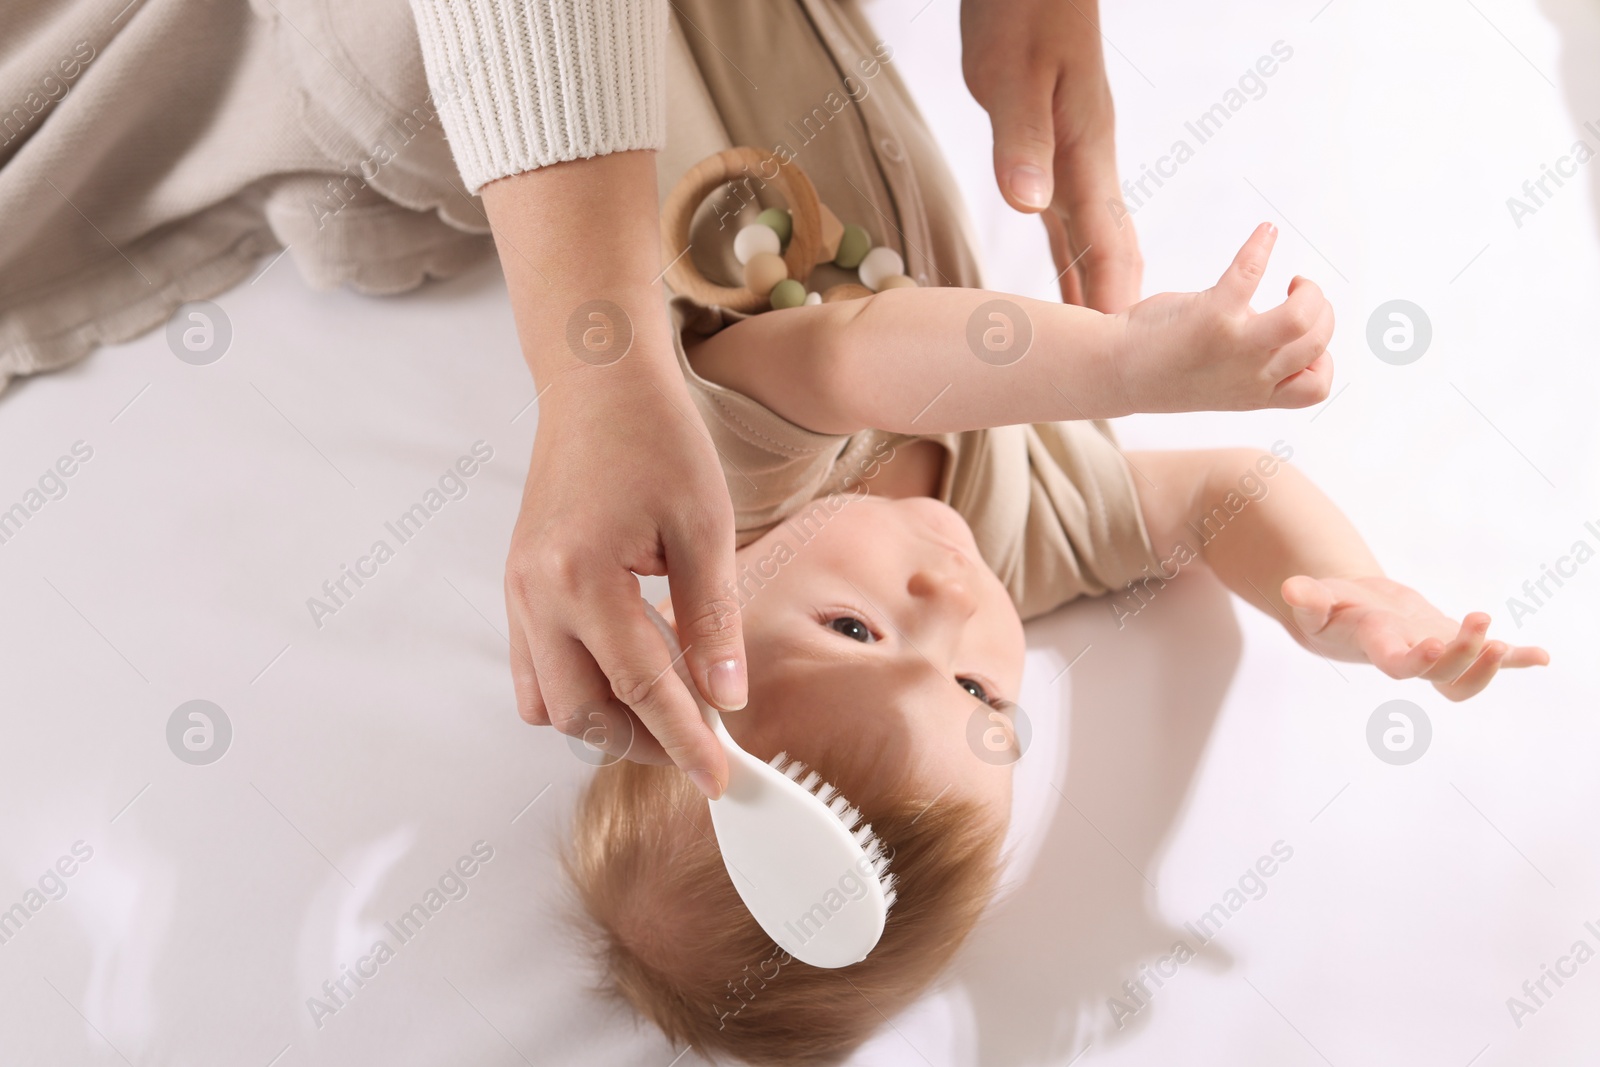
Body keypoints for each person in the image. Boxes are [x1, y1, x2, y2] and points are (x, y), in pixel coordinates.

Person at [407, 0, 1147, 800]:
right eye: (978, 692)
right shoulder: (1021, 540)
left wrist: (1127, 365)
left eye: (854, 630)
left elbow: (851, 355)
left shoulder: (734, 484)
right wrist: (1306, 589)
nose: (954, 598)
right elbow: (1226, 497)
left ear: (688, 626)